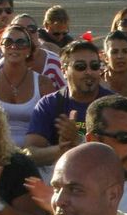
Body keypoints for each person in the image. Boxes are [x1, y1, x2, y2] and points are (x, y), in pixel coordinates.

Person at [23, 40, 115, 170]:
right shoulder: (50, 104)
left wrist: (79, 141)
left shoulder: (113, 104)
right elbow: (30, 152)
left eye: (94, 66)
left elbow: (122, 149)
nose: (89, 72)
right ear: (64, 70)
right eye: (80, 66)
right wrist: (62, 149)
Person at [0, 24, 44, 145]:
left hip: (33, 153)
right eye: (8, 42)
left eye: (21, 43)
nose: (14, 46)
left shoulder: (43, 83)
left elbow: (50, 126)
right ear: (1, 47)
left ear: (29, 50)